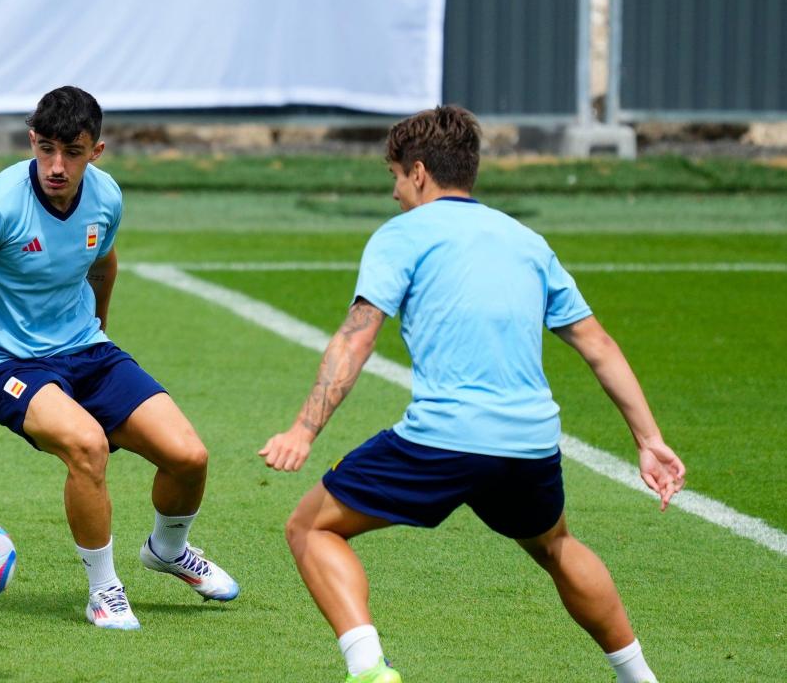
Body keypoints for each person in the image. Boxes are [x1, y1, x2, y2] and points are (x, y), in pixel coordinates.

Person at [258, 105, 685, 683]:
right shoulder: (527, 240)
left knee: (310, 527)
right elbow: (598, 344)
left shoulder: (401, 234)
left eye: (393, 178)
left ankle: (368, 669)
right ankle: (641, 678)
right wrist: (650, 440)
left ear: (417, 171)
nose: (393, 195)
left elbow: (355, 339)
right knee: (556, 545)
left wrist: (303, 430)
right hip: (531, 444)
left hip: (444, 440)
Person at [0, 86, 239, 630]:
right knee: (87, 445)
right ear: (32, 141)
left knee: (189, 456)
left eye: (72, 152)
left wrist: (101, 336)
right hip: (5, 365)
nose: (57, 166)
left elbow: (104, 261)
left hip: (87, 351)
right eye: (46, 149)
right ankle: (104, 590)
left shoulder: (106, 196)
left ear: (95, 151)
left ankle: (168, 550)